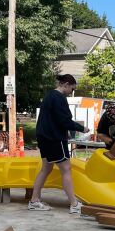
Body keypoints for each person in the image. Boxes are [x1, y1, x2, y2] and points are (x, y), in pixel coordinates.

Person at [29, 74, 86, 213]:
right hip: (54, 139)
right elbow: (64, 120)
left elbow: (52, 119)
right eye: (72, 89)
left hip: (44, 137)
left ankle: (34, 201)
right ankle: (74, 204)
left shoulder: (49, 95)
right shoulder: (59, 98)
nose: (71, 93)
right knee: (66, 169)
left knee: (46, 169)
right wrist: (82, 128)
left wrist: (64, 130)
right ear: (66, 84)